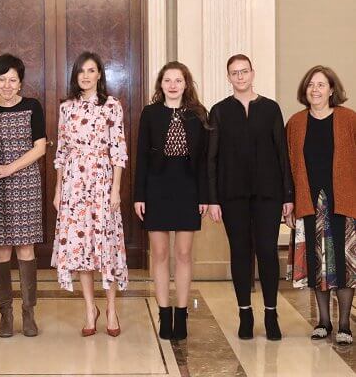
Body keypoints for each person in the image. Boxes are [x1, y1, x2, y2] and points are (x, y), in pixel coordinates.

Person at [207, 54, 294, 340]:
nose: (240, 76)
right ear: (228, 77)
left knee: (267, 250)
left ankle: (271, 313)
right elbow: (211, 158)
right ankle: (245, 313)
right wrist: (213, 199)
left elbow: (282, 153)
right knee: (241, 251)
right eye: (235, 72)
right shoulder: (219, 111)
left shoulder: (270, 108)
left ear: (253, 73)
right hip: (232, 193)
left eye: (244, 71)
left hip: (268, 193)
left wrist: (288, 195)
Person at [52, 51, 128, 337]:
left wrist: (115, 189)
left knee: (105, 245)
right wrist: (58, 189)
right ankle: (89, 309)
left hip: (102, 181)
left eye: (91, 70)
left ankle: (111, 309)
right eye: (81, 71)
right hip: (74, 184)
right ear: (76, 75)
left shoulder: (111, 105)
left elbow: (118, 150)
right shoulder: (66, 108)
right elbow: (61, 151)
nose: (86, 75)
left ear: (99, 75)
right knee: (81, 248)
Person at [134, 61, 209, 340]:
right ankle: (164, 313)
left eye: (178, 80)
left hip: (188, 189)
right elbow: (141, 156)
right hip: (156, 188)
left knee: (184, 254)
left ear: (186, 84)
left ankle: (181, 312)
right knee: (160, 254)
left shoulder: (198, 114)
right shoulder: (150, 113)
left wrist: (204, 195)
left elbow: (204, 160)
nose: (173, 85)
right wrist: (139, 195)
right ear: (161, 85)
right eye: (168, 80)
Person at [286, 65, 355, 345]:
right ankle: (323, 322)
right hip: (310, 201)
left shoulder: (348, 119)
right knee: (318, 264)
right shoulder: (296, 123)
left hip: (345, 202)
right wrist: (289, 203)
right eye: (311, 85)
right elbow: (287, 166)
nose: (315, 90)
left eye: (321, 85)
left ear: (331, 90)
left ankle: (344, 325)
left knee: (345, 265)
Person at [0, 53, 46, 338]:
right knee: (1, 249)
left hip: (26, 183)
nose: (7, 85)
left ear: (20, 83)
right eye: (2, 79)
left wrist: (10, 168)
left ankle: (29, 314)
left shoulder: (32, 106)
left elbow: (40, 147)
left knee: (26, 248)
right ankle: (5, 315)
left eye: (12, 80)